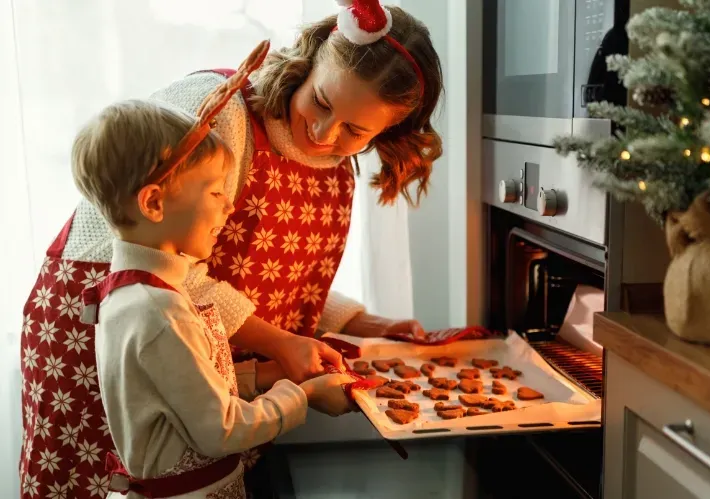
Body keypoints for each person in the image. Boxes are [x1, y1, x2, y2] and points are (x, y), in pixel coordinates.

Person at [18, 1, 443, 497]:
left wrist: (369, 325)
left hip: (195, 353)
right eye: (322, 103)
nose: (326, 133)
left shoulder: (331, 163)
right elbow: (169, 269)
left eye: (355, 130)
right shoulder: (220, 114)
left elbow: (278, 277)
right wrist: (281, 346)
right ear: (309, 62)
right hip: (99, 326)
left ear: (387, 131)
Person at [72, 97, 355, 498]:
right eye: (216, 192)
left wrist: (273, 375)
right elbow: (220, 431)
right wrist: (304, 395)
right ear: (154, 203)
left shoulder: (136, 293)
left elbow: (182, 390)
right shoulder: (160, 311)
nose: (230, 205)